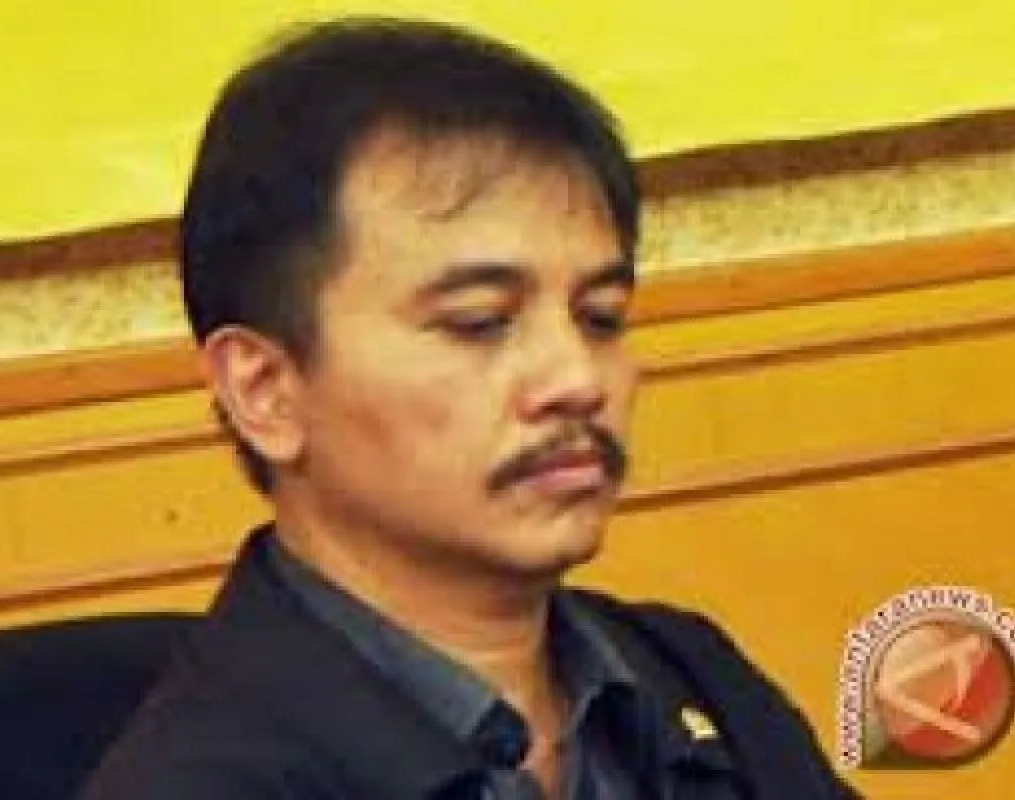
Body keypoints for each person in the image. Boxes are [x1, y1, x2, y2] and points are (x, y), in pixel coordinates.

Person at [82, 17, 857, 800]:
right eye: (480, 323)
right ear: (265, 392)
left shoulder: (686, 674)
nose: (577, 379)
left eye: (601, 318)